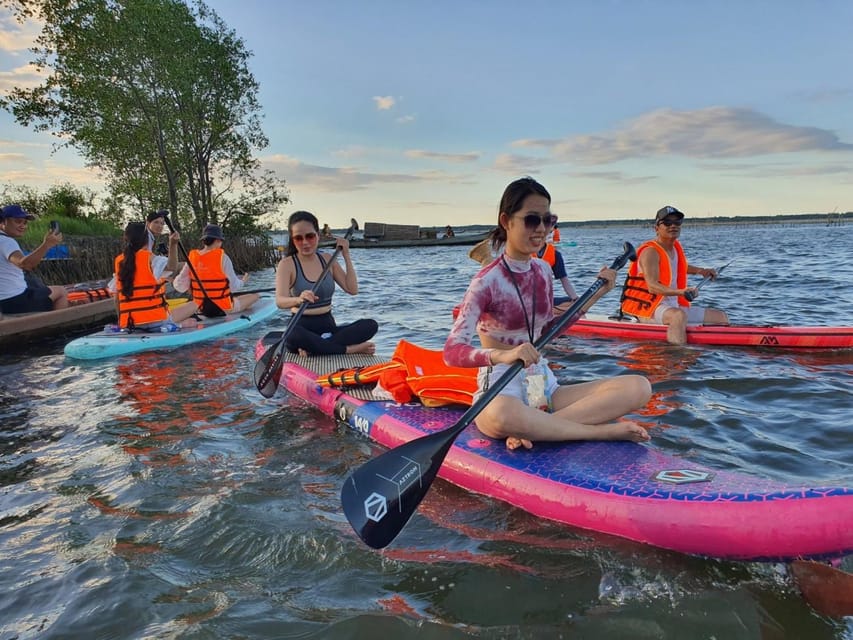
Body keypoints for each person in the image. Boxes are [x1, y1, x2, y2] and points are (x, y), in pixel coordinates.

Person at [444, 177, 652, 450]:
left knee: (639, 387)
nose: (542, 229)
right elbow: (452, 352)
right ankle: (599, 432)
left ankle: (535, 430)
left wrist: (597, 295)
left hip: (543, 385)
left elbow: (548, 331)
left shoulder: (542, 270)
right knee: (501, 416)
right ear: (506, 221)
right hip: (500, 389)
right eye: (532, 220)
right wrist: (505, 355)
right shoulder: (486, 281)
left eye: (548, 220)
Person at [620, 206, 729, 345]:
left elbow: (677, 267)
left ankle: (717, 349)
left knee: (721, 317)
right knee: (678, 316)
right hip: (648, 309)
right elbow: (652, 287)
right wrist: (681, 292)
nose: (673, 226)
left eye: (677, 223)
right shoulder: (650, 252)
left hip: (671, 306)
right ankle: (676, 355)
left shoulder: (674, 248)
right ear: (657, 228)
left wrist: (701, 271)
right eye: (667, 223)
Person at [275, 210, 378, 355]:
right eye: (299, 238)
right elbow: (280, 301)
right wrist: (299, 299)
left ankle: (317, 348)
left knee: (370, 325)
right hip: (301, 327)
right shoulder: (287, 264)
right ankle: (348, 350)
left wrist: (346, 255)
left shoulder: (328, 259)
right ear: (293, 240)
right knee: (293, 335)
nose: (305, 242)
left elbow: (352, 289)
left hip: (328, 326)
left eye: (310, 236)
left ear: (318, 235)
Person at [112, 221, 198, 331]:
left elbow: (116, 297)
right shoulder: (150, 258)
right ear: (146, 239)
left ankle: (176, 323)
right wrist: (173, 244)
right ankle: (180, 325)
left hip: (130, 324)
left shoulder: (120, 261)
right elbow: (172, 267)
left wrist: (122, 323)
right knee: (194, 304)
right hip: (156, 323)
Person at [173, 224, 259, 314]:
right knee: (255, 296)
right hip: (222, 308)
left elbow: (179, 286)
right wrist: (243, 281)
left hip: (199, 307)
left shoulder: (192, 257)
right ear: (218, 240)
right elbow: (234, 287)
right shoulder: (223, 258)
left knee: (239, 298)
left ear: (204, 241)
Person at [0, 204, 69, 313]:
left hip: (4, 300)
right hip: (12, 301)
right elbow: (25, 264)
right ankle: (57, 327)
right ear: (3, 222)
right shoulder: (6, 242)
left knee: (34, 284)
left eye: (24, 222)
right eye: (18, 221)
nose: (23, 226)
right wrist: (46, 245)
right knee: (61, 292)